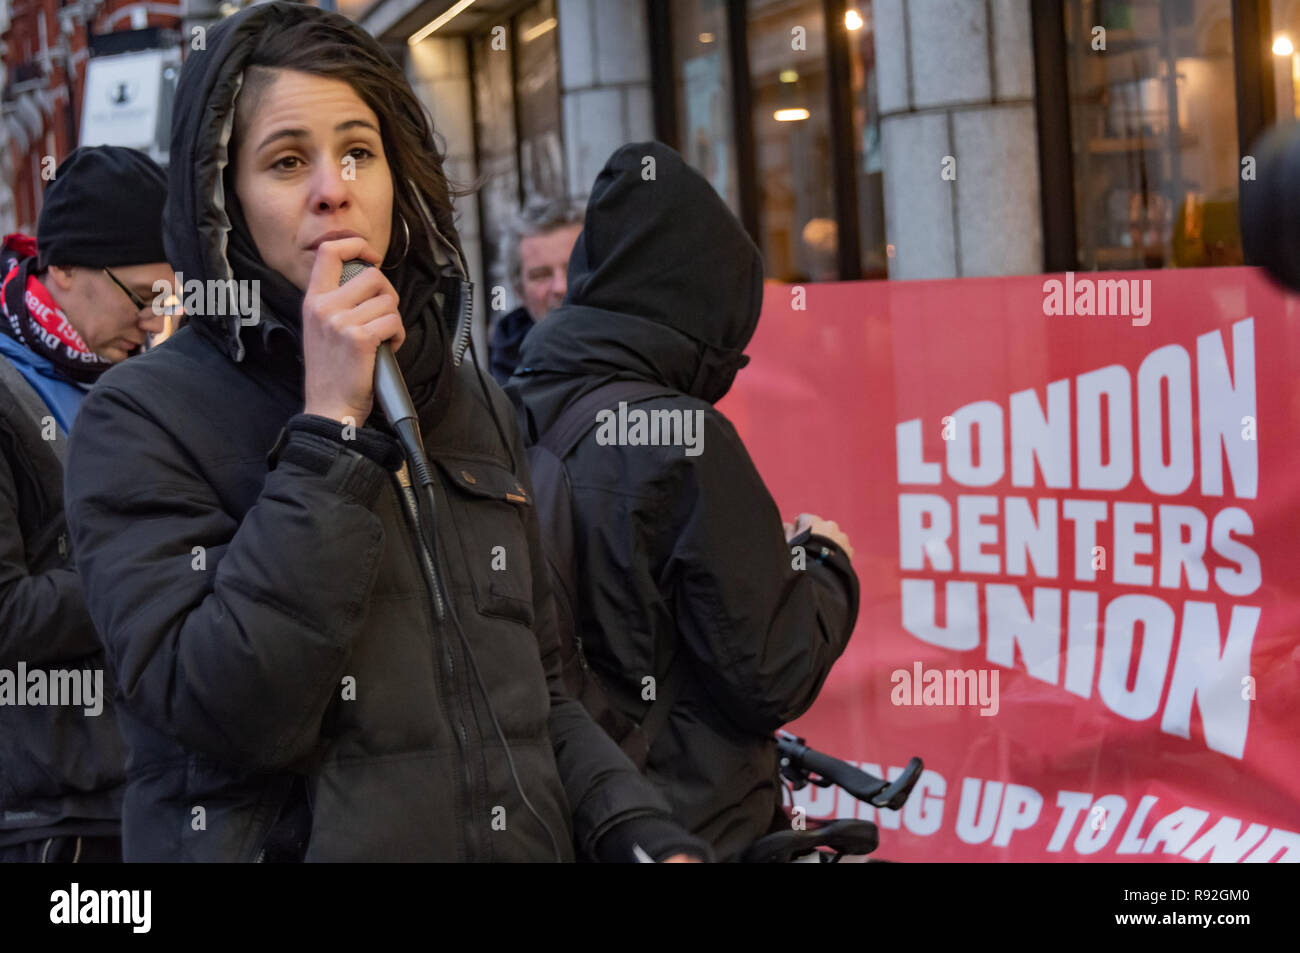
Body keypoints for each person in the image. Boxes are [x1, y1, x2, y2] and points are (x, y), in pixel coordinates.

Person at [62, 2, 708, 863]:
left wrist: (640, 830)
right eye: (288, 160)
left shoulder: (468, 398)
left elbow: (539, 693)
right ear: (222, 198)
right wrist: (329, 432)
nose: (335, 186)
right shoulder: (138, 418)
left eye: (359, 151)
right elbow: (220, 711)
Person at [507, 142, 861, 861]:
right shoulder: (687, 438)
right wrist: (827, 564)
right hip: (695, 828)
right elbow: (773, 669)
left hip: (576, 816)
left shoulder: (513, 405)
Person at [0, 145, 172, 862]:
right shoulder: (10, 399)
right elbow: (6, 611)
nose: (157, 320)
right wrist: (145, 573)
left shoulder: (133, 379)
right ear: (63, 269)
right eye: (142, 295)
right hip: (52, 814)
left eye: (170, 296)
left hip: (146, 785)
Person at [488, 197, 583, 385]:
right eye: (541, 275)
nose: (560, 287)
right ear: (519, 291)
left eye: (574, 267)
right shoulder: (497, 398)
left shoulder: (641, 349)